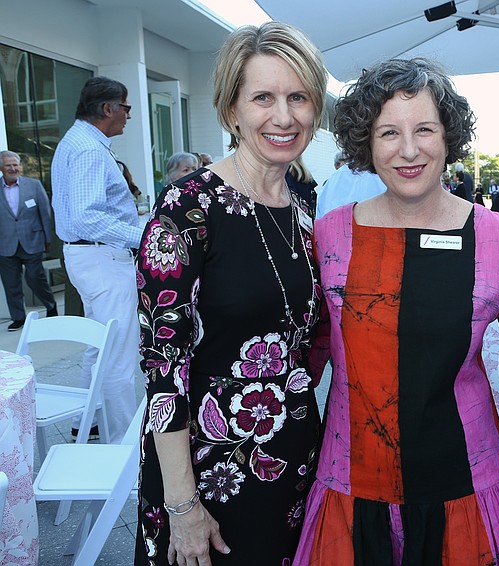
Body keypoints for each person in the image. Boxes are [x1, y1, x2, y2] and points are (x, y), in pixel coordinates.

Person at [295, 57, 499, 565]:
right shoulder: (329, 235)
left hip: (467, 488)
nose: (408, 150)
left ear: (448, 136)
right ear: (366, 143)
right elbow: (304, 354)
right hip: (351, 483)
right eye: (388, 133)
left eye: (424, 129)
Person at [134, 22, 327, 565]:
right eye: (263, 97)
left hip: (290, 463)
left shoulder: (301, 209)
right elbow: (163, 370)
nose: (284, 116)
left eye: (298, 97)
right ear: (231, 109)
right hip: (208, 475)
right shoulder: (187, 208)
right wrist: (182, 504)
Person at [51, 76, 141, 443]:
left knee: (99, 345)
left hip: (88, 255)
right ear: (107, 108)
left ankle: (86, 422)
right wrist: (144, 237)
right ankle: (124, 445)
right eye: (126, 108)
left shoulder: (77, 141)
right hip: (102, 258)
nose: (128, 116)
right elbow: (88, 217)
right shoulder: (88, 148)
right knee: (119, 356)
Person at [0, 150, 58, 330]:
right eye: (8, 165)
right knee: (11, 284)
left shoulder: (34, 185)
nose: (13, 168)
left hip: (32, 241)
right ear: (1, 168)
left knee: (35, 278)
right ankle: (18, 318)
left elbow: (45, 213)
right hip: (5, 244)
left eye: (15, 164)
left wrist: (48, 238)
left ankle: (51, 306)